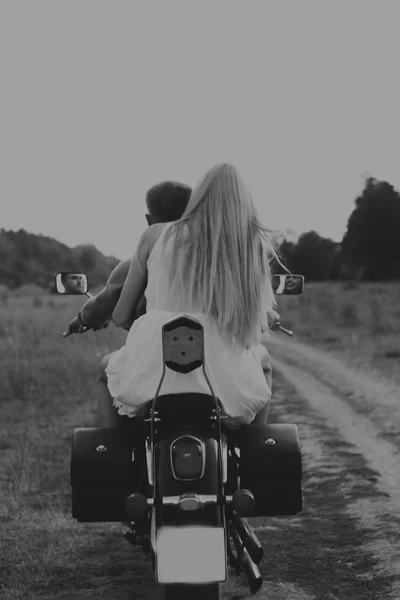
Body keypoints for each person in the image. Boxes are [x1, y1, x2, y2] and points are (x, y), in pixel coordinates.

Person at [98, 163, 279, 429]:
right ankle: (253, 450)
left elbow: (121, 315)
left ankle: (116, 453)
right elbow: (255, 320)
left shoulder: (155, 234)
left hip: (154, 362)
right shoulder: (250, 246)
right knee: (263, 363)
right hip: (221, 370)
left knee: (105, 369)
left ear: (199, 196)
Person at [67, 181, 193, 334]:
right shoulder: (212, 261)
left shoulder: (133, 265)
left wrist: (82, 319)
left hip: (152, 341)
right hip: (207, 343)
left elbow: (102, 304)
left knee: (107, 359)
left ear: (149, 220)